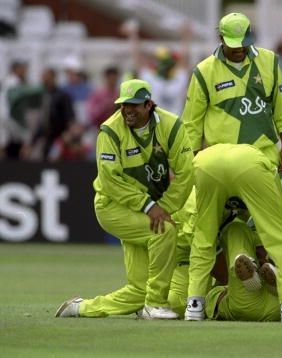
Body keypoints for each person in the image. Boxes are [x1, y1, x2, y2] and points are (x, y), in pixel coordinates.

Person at [55, 79, 194, 320]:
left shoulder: (171, 126)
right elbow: (110, 180)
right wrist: (150, 207)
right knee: (164, 232)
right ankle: (156, 304)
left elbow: (186, 173)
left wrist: (165, 207)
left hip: (147, 209)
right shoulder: (109, 131)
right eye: (123, 105)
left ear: (149, 105)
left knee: (139, 289)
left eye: (134, 105)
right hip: (112, 206)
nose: (127, 110)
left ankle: (79, 308)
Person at [184, 143, 282, 322]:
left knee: (204, 239)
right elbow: (272, 231)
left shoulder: (195, 200)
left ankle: (194, 304)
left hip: (205, 163)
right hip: (250, 164)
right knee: (281, 240)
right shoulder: (266, 171)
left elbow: (202, 239)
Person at [182, 12, 282, 173]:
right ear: (220, 38)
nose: (240, 48)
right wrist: (192, 163)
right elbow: (192, 123)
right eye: (234, 44)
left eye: (245, 42)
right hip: (220, 161)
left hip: (264, 157)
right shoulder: (204, 71)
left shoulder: (270, 61)